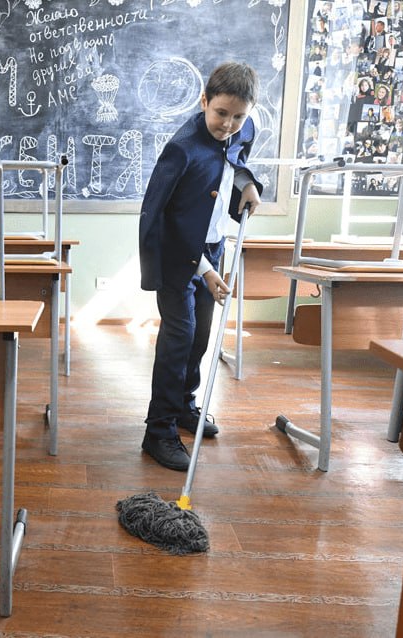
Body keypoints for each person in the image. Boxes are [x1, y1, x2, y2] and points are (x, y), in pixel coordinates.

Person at [137, 62, 263, 471]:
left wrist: (246, 184)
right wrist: (205, 270)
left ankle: (184, 406)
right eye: (221, 113)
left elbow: (236, 157)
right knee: (179, 338)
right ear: (204, 101)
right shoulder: (182, 149)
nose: (228, 125)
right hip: (176, 255)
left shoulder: (244, 129)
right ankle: (158, 430)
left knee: (200, 336)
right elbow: (164, 218)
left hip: (212, 245)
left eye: (238, 116)